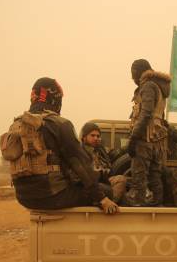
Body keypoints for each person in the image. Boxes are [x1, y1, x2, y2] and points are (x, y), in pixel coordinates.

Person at [8, 77, 119, 214]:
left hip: (24, 198)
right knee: (108, 190)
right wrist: (102, 199)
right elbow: (81, 166)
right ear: (56, 99)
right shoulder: (59, 124)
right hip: (54, 196)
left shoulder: (17, 125)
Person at [124, 59, 171, 206]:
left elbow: (145, 114)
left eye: (133, 73)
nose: (133, 78)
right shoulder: (159, 88)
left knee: (139, 178)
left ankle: (138, 215)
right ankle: (157, 209)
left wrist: (133, 139)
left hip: (145, 138)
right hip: (158, 141)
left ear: (139, 71)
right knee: (155, 177)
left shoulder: (148, 86)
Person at [80, 122, 127, 202]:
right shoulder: (80, 151)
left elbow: (112, 155)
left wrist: (128, 147)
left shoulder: (100, 150)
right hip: (90, 184)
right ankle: (107, 204)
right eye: (92, 135)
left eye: (98, 136)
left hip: (103, 180)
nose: (96, 138)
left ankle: (111, 203)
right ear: (84, 137)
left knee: (121, 179)